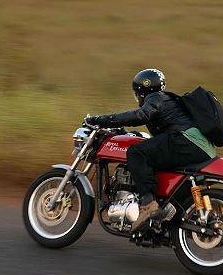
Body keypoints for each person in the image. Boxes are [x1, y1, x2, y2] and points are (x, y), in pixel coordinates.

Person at [85, 68, 216, 233]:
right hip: (202, 148)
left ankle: (147, 205)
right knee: (151, 158)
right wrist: (124, 133)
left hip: (186, 141)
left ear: (140, 93)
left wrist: (101, 120)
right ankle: (161, 224)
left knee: (136, 152)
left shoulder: (156, 98)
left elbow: (140, 115)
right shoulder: (168, 101)